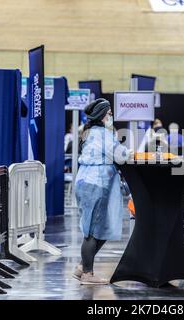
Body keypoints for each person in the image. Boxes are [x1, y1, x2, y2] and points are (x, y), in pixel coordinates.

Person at [72, 98, 133, 285]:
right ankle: (88, 275)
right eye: (109, 113)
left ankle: (82, 267)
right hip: (96, 184)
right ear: (102, 115)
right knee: (92, 231)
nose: (111, 116)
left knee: (100, 229)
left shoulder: (89, 132)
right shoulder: (103, 135)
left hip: (87, 182)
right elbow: (120, 155)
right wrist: (129, 153)